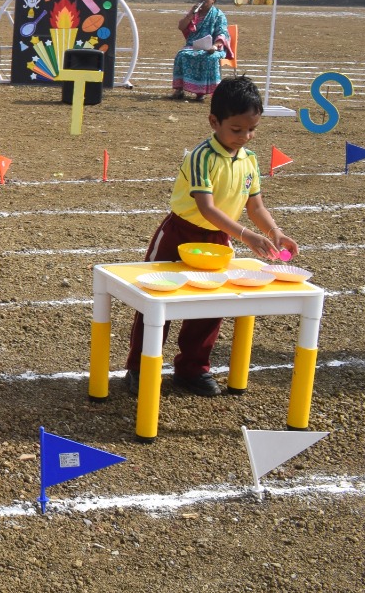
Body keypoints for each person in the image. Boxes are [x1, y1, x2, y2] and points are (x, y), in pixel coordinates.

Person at [124, 75, 298, 397]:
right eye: (237, 129)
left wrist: (275, 232)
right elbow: (206, 207)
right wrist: (246, 235)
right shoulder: (202, 155)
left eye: (252, 129)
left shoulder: (250, 161)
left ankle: (192, 369)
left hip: (219, 241)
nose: (245, 137)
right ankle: (139, 367)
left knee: (209, 306)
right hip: (179, 234)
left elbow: (256, 206)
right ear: (214, 121)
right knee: (156, 301)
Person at [171, 0, 232, 101]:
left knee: (209, 57)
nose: (203, 0)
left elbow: (222, 34)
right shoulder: (194, 14)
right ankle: (179, 90)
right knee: (182, 55)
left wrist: (214, 46)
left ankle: (202, 92)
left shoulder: (218, 15)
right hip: (194, 45)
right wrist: (190, 15)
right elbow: (181, 27)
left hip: (213, 47)